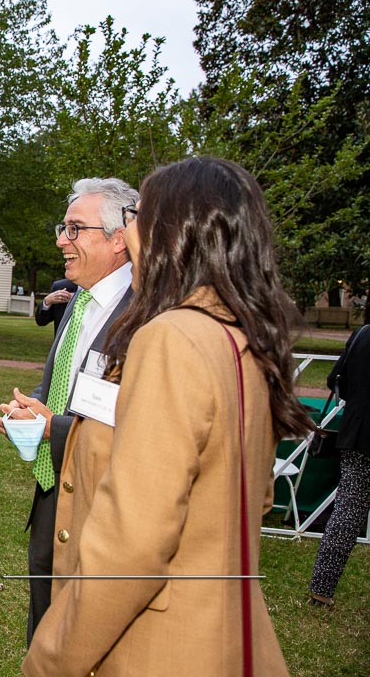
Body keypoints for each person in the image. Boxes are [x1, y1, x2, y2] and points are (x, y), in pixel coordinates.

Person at [22, 157, 311, 675]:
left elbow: (132, 547)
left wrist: (48, 660)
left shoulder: (170, 338)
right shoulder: (244, 338)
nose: (129, 229)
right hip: (227, 632)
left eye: (137, 215)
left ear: (170, 231)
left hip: (158, 646)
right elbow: (254, 494)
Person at [0, 178, 137, 645]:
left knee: (88, 635)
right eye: (63, 227)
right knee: (45, 628)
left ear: (118, 239)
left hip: (104, 508)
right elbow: (60, 386)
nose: (60, 240)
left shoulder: (146, 315)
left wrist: (50, 425)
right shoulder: (78, 302)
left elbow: (134, 425)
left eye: (75, 229)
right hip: (53, 496)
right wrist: (27, 413)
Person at [308, 323, 370, 606]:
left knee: (346, 512)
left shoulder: (363, 333)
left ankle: (321, 589)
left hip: (358, 432)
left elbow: (336, 380)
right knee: (347, 513)